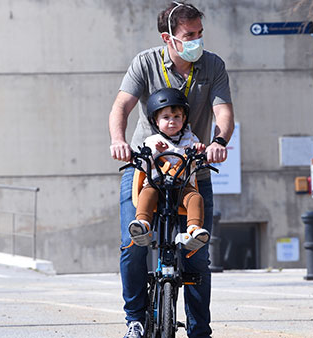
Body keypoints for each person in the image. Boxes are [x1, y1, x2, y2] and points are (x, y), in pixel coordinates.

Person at [108, 1, 234, 337]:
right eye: (189, 35)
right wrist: (119, 141)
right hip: (145, 168)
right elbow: (121, 105)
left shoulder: (212, 65)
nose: (197, 41)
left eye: (199, 34)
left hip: (193, 168)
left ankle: (199, 331)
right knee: (132, 246)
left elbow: (223, 112)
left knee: (196, 257)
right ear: (169, 38)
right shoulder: (145, 62)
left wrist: (218, 142)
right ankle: (134, 320)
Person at [128, 87, 210, 251]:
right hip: (157, 184)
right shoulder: (152, 140)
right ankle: (143, 225)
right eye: (166, 117)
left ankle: (194, 230)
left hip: (182, 186)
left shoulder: (191, 139)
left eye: (176, 117)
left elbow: (198, 162)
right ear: (156, 121)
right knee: (147, 193)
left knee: (195, 198)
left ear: (184, 118)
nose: (172, 121)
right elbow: (145, 166)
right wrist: (155, 152)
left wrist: (200, 152)